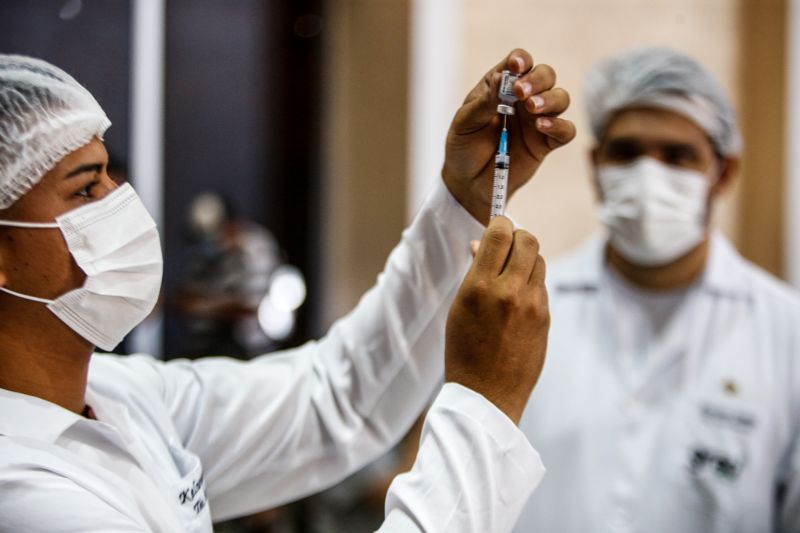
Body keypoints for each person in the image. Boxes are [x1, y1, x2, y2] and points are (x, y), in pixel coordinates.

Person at [0, 49, 575, 532]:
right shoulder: (25, 493)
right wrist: (482, 402)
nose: (123, 205)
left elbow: (335, 399)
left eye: (111, 176)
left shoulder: (121, 398)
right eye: (85, 190)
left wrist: (461, 202)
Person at [514, 47, 800, 533]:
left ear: (722, 172)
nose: (649, 175)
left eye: (677, 155)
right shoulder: (523, 310)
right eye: (626, 152)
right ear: (596, 164)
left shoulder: (786, 332)